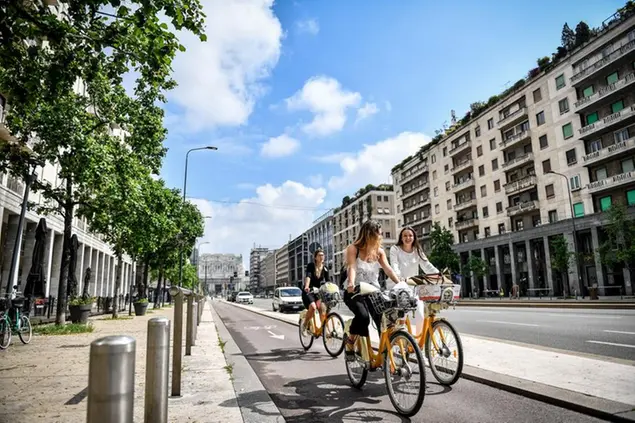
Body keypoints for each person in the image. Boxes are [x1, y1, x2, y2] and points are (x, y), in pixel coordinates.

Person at [343, 220, 401, 358]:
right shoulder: (354, 249)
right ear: (368, 235)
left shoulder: (379, 252)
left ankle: (386, 356)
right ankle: (350, 341)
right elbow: (352, 267)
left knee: (384, 320)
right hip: (354, 291)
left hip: (373, 291)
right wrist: (351, 282)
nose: (380, 237)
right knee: (363, 317)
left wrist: (399, 283)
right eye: (378, 235)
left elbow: (388, 269)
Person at [389, 226, 441, 337]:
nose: (408, 238)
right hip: (399, 286)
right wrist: (399, 278)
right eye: (405, 235)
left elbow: (427, 265)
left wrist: (438, 275)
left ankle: (416, 342)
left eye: (410, 235)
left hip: (413, 286)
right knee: (402, 314)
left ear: (414, 237)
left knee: (420, 314)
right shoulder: (395, 249)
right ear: (401, 238)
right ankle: (400, 338)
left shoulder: (417, 250)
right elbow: (395, 265)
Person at [302, 248, 330, 330]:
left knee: (323, 309)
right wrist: (307, 286)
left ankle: (324, 330)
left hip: (318, 291)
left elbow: (328, 281)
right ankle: (305, 324)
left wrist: (333, 288)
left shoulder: (325, 268)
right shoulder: (311, 266)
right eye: (319, 255)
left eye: (323, 255)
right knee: (313, 307)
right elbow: (308, 276)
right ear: (315, 257)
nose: (322, 257)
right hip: (309, 291)